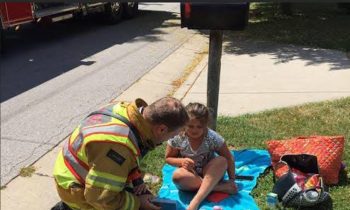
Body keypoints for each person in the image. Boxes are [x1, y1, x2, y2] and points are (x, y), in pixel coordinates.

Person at [52, 97, 189, 210]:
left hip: (78, 170)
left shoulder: (126, 111)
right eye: (173, 135)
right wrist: (138, 203)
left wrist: (136, 180)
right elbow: (101, 199)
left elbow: (127, 160)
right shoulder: (118, 146)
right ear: (161, 129)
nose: (168, 140)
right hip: (75, 188)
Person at [165, 102, 237, 210]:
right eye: (190, 126)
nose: (195, 130)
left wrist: (232, 179)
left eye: (199, 127)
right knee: (177, 177)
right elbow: (168, 158)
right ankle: (216, 187)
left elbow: (228, 157)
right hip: (189, 176)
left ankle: (195, 202)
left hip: (211, 174)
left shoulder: (212, 137)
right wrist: (181, 162)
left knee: (222, 161)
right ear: (184, 124)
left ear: (206, 125)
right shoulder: (178, 137)